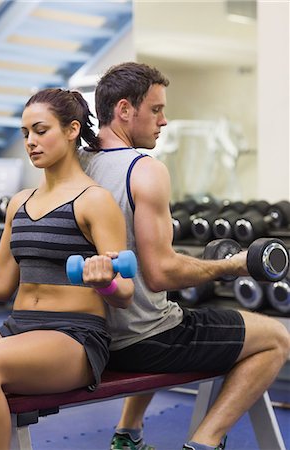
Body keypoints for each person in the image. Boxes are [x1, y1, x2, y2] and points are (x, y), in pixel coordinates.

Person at [78, 62, 290, 450]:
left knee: (165, 307)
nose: (164, 120)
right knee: (277, 337)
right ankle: (204, 443)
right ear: (124, 110)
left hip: (86, 340)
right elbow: (161, 273)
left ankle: (128, 433)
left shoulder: (76, 164)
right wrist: (234, 265)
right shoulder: (145, 170)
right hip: (140, 342)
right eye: (156, 110)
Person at [0, 87, 134, 450]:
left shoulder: (94, 201)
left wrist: (104, 283)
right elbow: (0, 284)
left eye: (41, 130)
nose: (30, 142)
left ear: (71, 130)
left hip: (74, 337)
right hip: (17, 328)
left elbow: (125, 294)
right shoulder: (19, 203)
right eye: (25, 134)